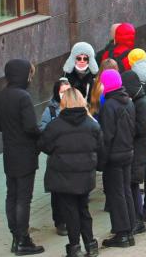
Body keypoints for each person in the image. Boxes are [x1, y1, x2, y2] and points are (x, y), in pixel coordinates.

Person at [38, 88, 101, 257]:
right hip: (85, 175)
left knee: (70, 212)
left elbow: (44, 146)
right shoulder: (91, 124)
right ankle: (91, 244)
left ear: (64, 103)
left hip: (63, 176)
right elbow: (99, 146)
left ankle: (74, 247)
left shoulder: (55, 126)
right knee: (84, 210)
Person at [0, 59, 44, 255]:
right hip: (25, 153)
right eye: (29, 74)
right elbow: (31, 127)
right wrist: (42, 134)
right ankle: (23, 240)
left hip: (10, 152)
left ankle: (16, 237)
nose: (31, 78)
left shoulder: (1, 96)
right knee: (24, 198)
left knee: (11, 195)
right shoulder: (23, 97)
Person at [96, 69, 137, 248]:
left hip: (114, 156)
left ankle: (121, 233)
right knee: (126, 190)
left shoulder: (109, 106)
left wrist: (101, 161)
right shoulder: (128, 102)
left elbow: (107, 136)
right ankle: (129, 230)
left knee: (116, 193)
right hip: (128, 152)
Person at [39, 77, 72, 236]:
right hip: (57, 158)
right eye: (62, 92)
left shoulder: (78, 107)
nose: (65, 95)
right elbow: (43, 132)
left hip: (73, 158)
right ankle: (60, 222)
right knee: (57, 191)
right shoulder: (50, 110)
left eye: (68, 91)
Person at [120, 71, 146, 236]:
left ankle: (138, 221)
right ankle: (136, 220)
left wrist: (127, 126)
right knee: (133, 185)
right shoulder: (139, 100)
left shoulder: (142, 103)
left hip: (138, 150)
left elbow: (142, 128)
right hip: (136, 149)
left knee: (134, 186)